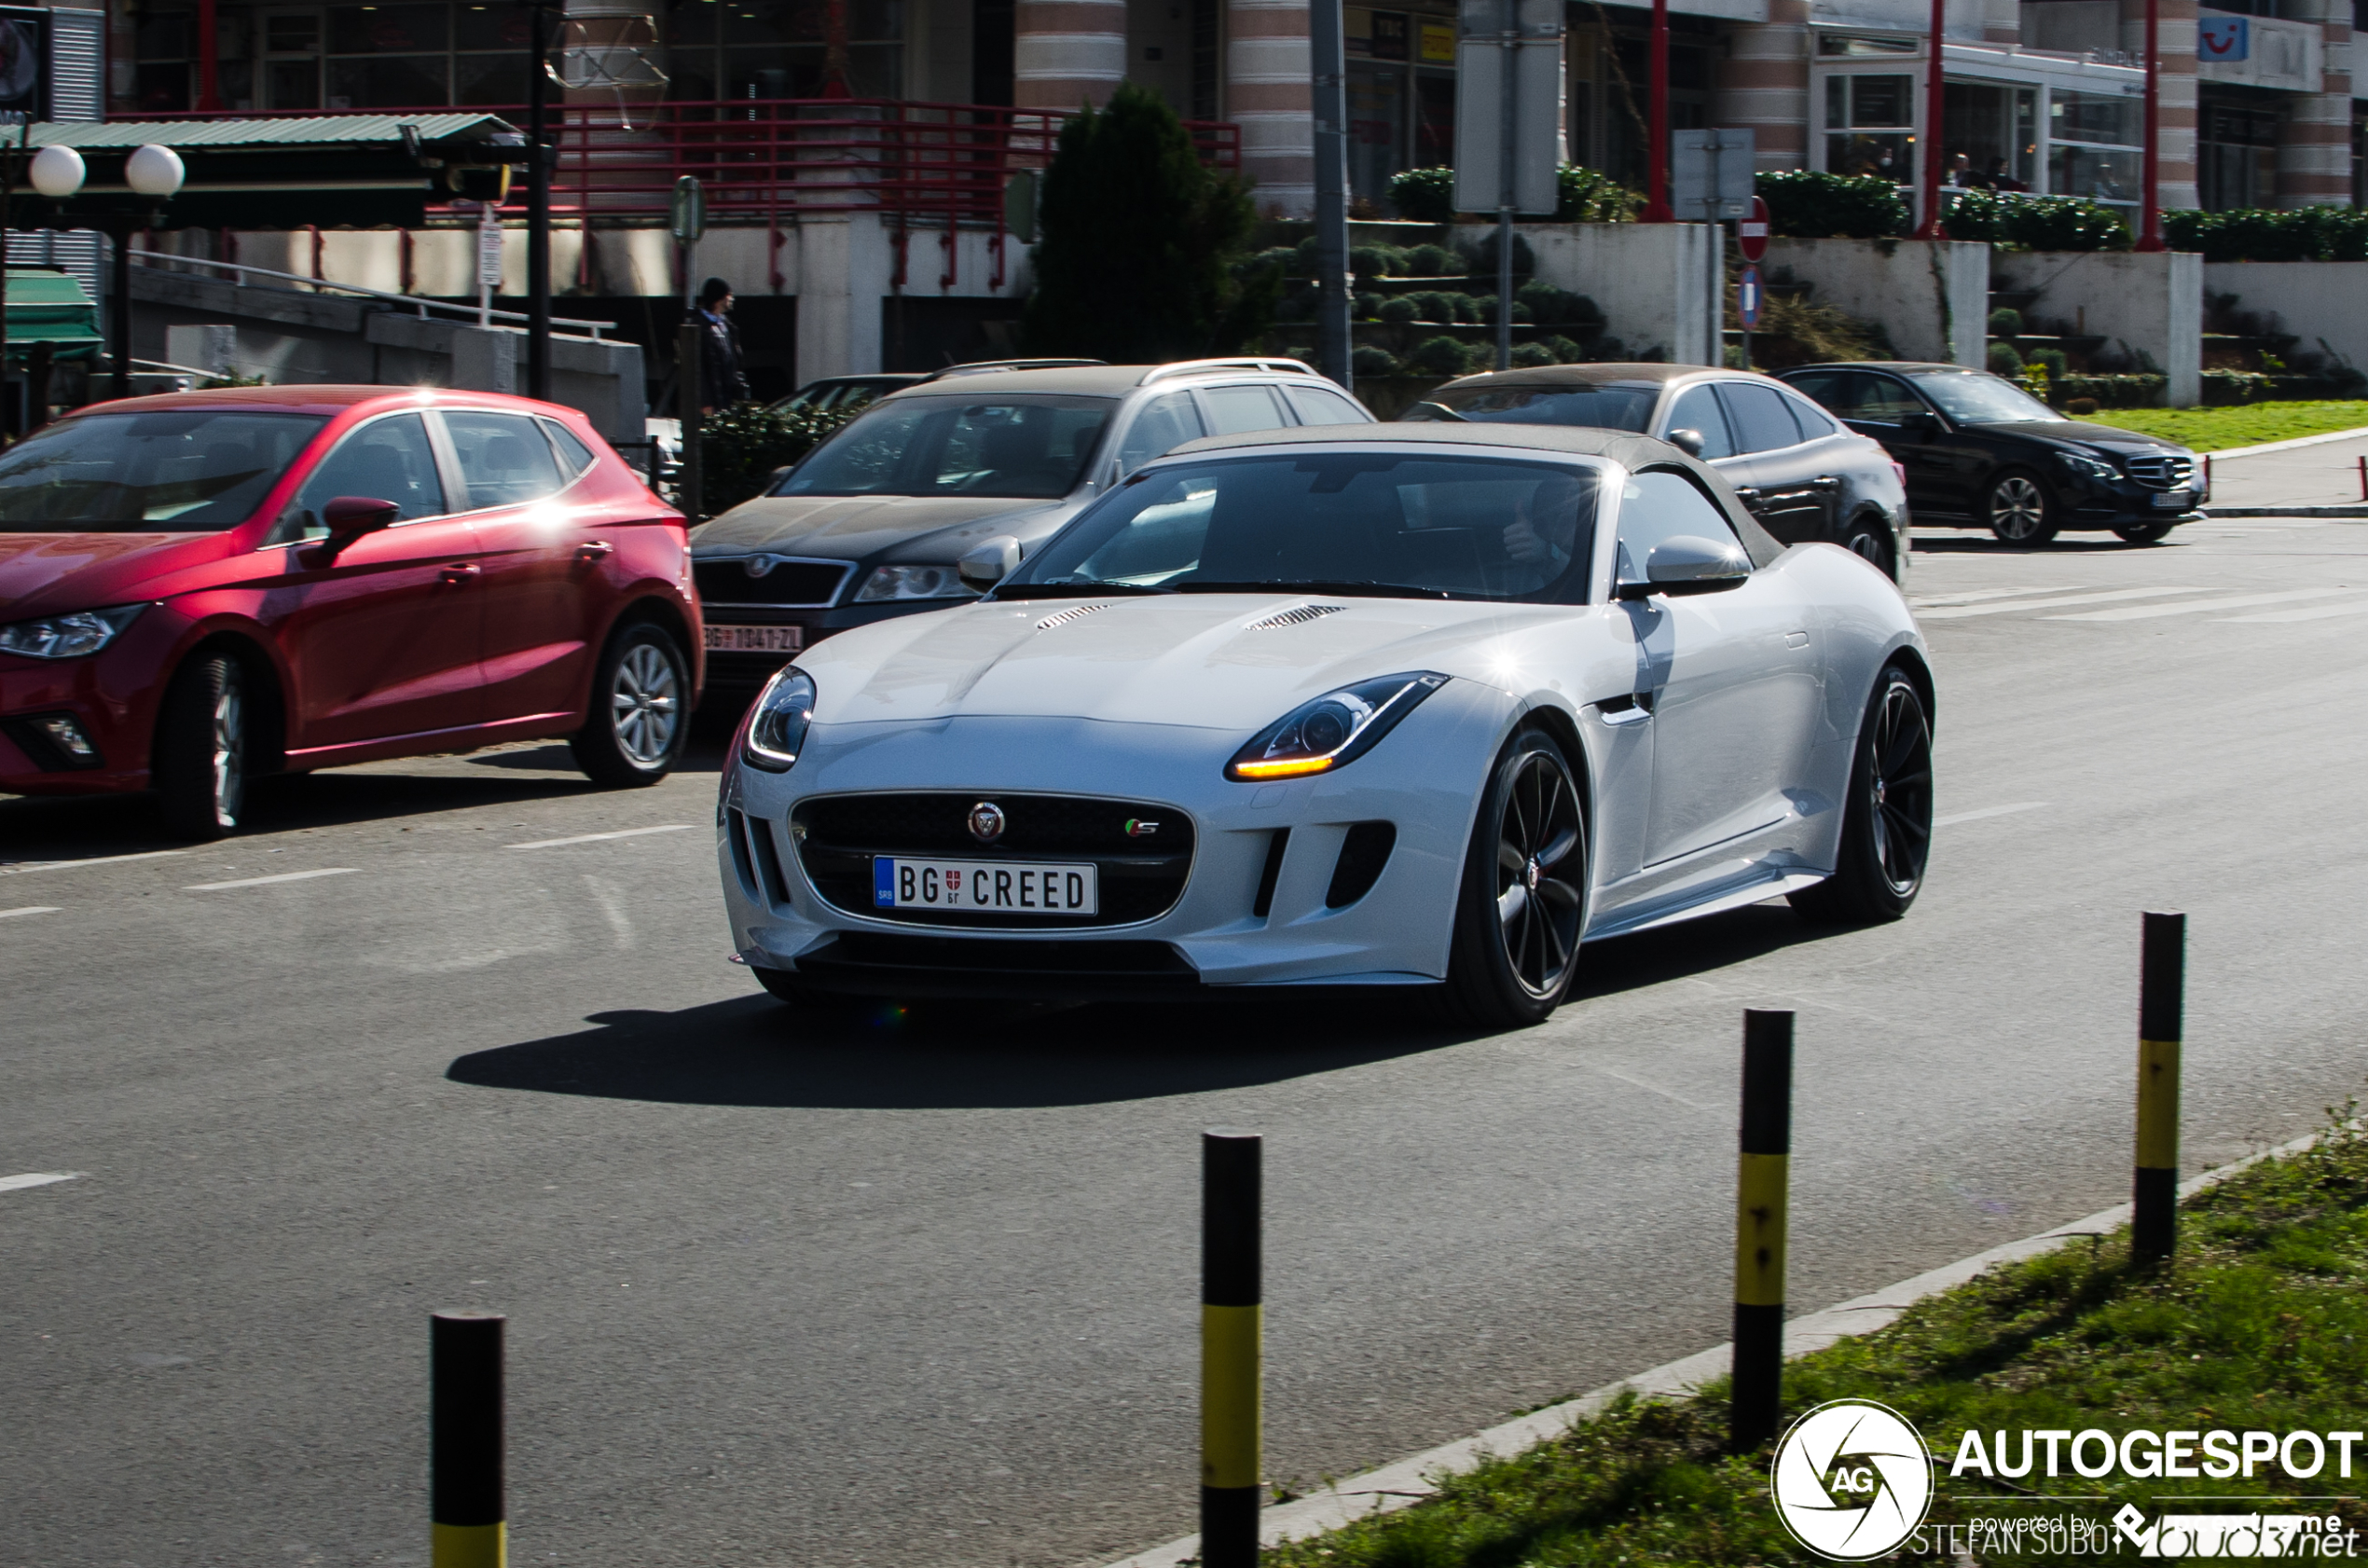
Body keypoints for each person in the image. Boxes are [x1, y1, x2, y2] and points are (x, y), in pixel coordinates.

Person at [695, 277, 750, 415]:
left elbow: (735, 364)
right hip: (713, 401)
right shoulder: (700, 327)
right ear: (719, 298)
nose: (731, 299)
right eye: (728, 295)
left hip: (729, 398)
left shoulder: (727, 327)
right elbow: (698, 368)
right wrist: (705, 401)